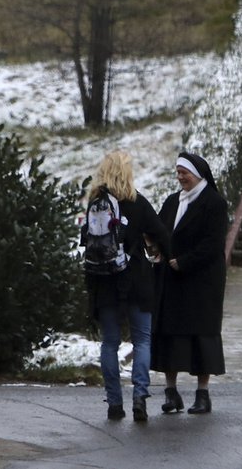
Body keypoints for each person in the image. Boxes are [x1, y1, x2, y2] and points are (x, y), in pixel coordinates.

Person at [84, 151, 170, 422]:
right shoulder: (137, 202)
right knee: (142, 339)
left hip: (104, 281)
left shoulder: (95, 204)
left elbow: (87, 243)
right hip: (136, 280)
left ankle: (114, 403)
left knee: (109, 343)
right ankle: (140, 399)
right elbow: (163, 234)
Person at [152, 152, 228, 414]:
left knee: (201, 337)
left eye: (184, 172)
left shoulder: (214, 203)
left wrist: (184, 261)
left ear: (198, 174)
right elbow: (160, 230)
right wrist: (157, 250)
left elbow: (214, 244)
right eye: (178, 172)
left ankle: (202, 394)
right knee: (170, 336)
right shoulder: (173, 201)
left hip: (202, 282)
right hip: (173, 281)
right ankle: (171, 393)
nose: (180, 177)